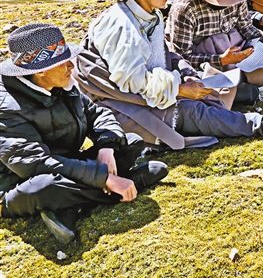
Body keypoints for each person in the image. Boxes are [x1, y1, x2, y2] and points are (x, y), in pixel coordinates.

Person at [75, 0, 263, 150]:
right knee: (193, 112)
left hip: (156, 85)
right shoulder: (124, 28)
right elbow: (132, 82)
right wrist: (179, 89)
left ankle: (257, 98)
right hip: (121, 101)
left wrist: (186, 74)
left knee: (207, 88)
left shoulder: (149, 14)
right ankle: (262, 124)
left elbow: (166, 54)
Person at [0, 24, 168, 245]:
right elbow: (35, 164)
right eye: (63, 62)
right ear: (40, 71)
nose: (72, 65)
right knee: (47, 187)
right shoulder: (6, 107)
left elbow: (97, 113)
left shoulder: (62, 83)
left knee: (131, 142)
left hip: (67, 164)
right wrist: (104, 177)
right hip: (21, 182)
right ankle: (125, 184)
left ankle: (69, 206)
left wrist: (107, 148)